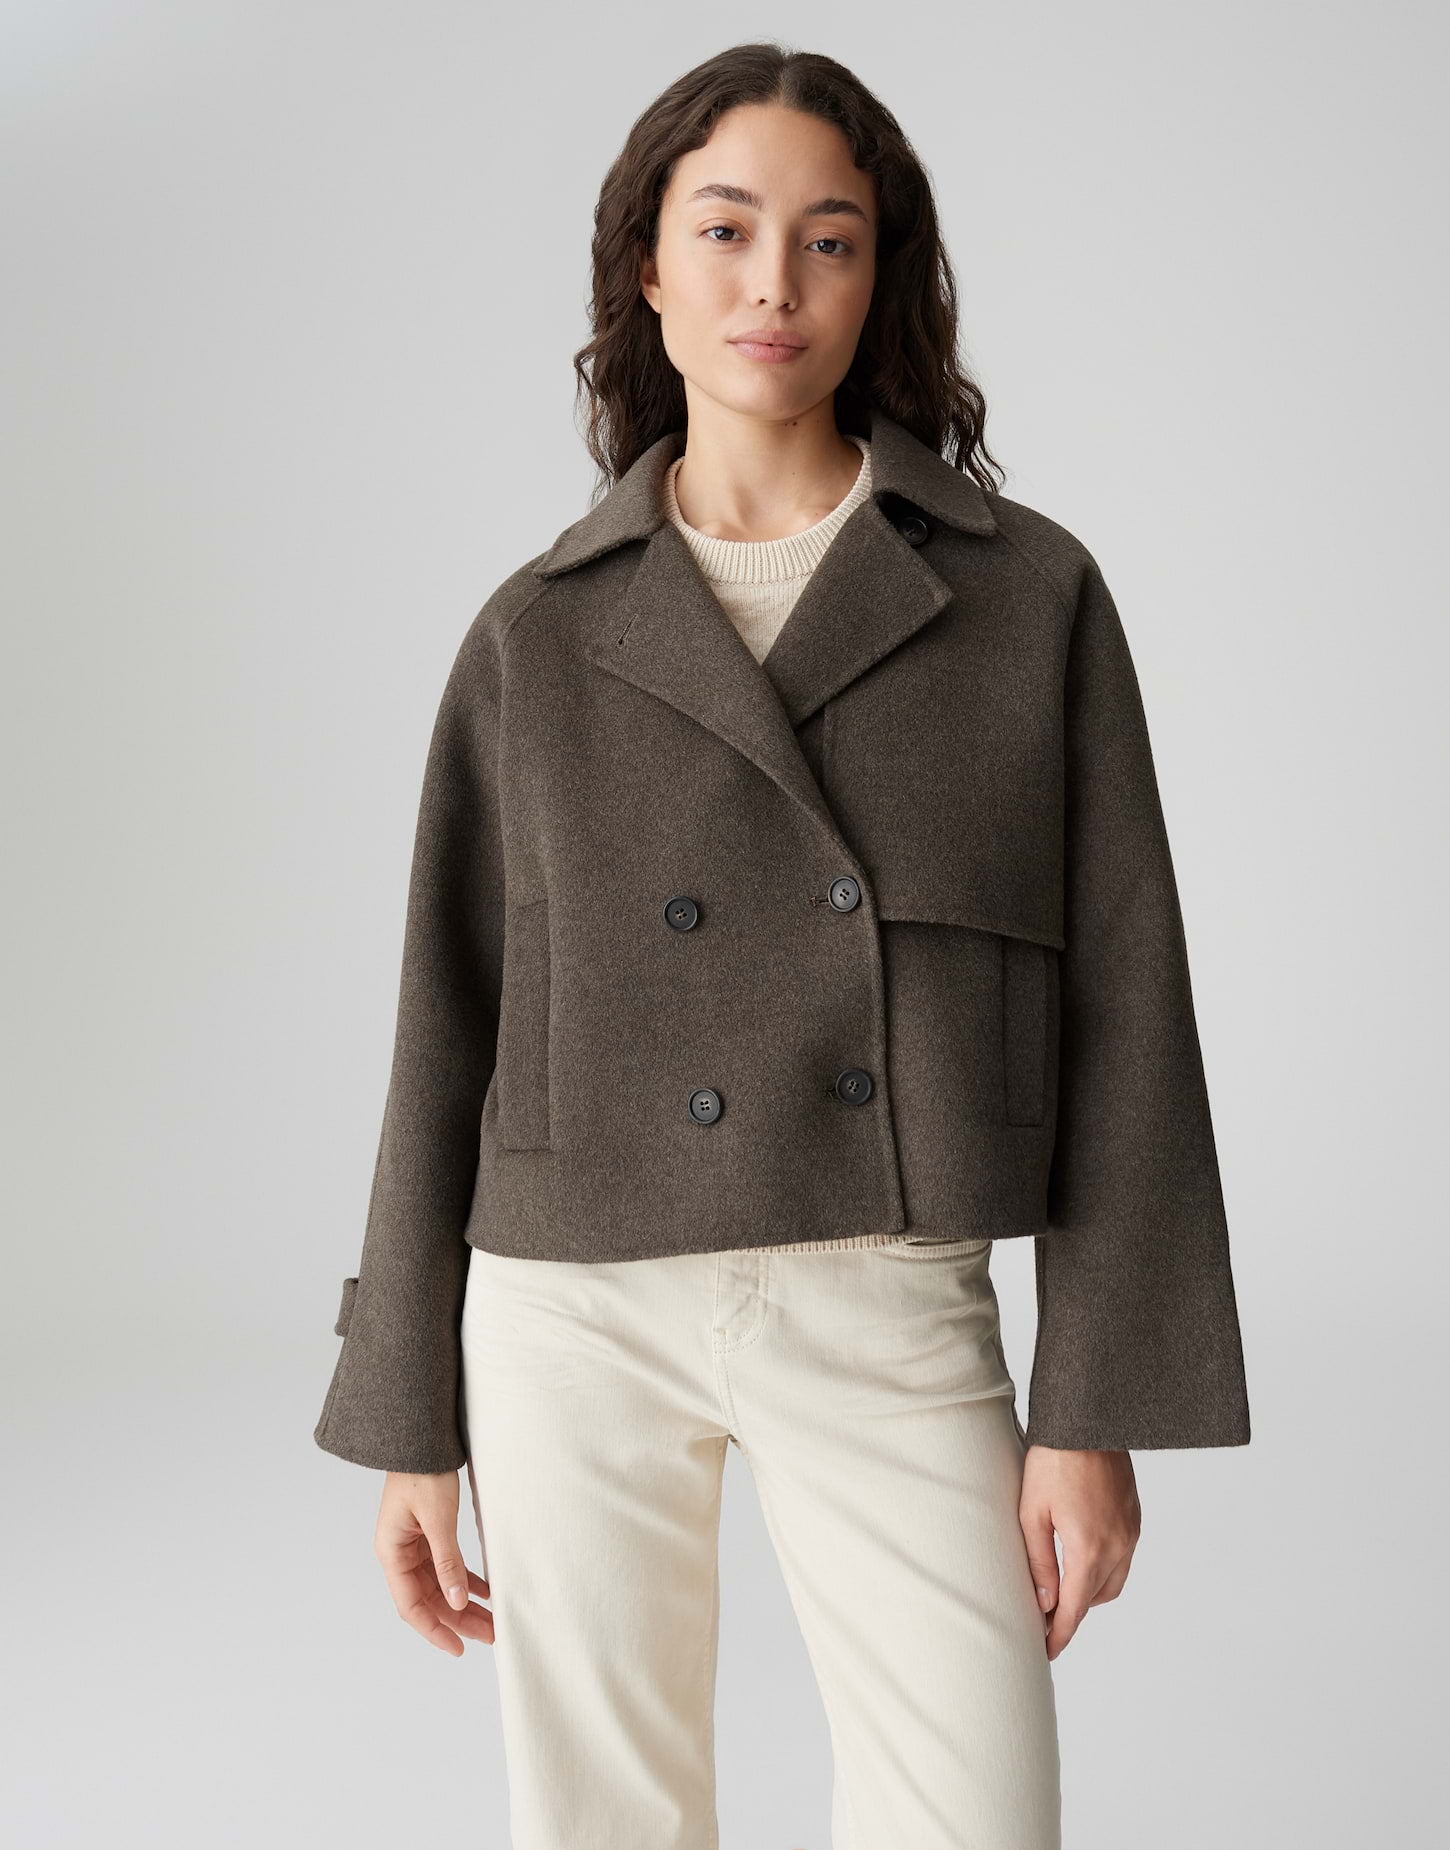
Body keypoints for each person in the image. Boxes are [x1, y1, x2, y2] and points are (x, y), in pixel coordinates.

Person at [313, 42, 1251, 1850]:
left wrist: (1093, 1403)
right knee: (602, 1822)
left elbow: (1131, 1001)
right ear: (647, 272)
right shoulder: (535, 630)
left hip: (884, 1283)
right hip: (572, 1305)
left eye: (828, 239)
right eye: (724, 229)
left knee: (971, 1815)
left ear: (879, 279)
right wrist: (407, 1406)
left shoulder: (1022, 595)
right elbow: (447, 1023)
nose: (773, 284)